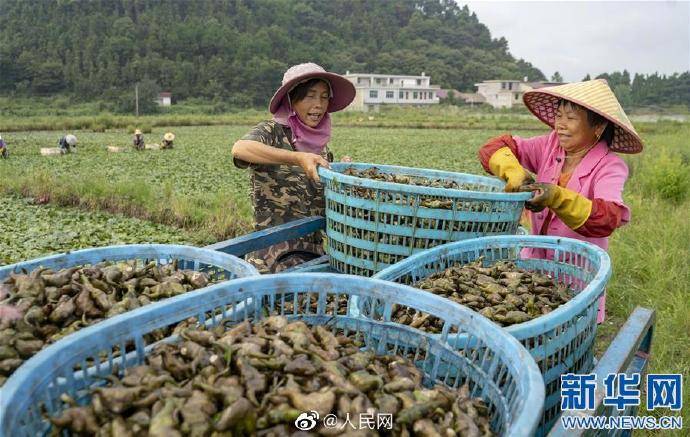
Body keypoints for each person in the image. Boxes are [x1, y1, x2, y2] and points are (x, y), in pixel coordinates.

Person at [478, 79, 643, 323]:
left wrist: (556, 196)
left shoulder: (610, 166)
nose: (560, 125)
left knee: (568, 339)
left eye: (571, 118)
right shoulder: (550, 146)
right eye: (558, 115)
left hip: (576, 275)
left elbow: (606, 218)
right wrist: (513, 171)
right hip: (532, 267)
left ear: (597, 126)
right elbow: (493, 147)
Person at [231, 62, 355, 273]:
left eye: (324, 97)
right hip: (271, 256)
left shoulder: (322, 150)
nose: (319, 104)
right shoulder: (272, 131)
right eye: (310, 96)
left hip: (313, 255)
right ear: (291, 99)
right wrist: (297, 158)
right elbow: (240, 149)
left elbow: (324, 206)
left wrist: (343, 176)